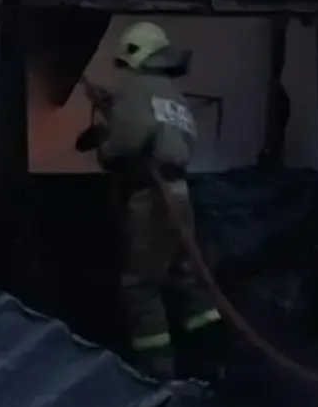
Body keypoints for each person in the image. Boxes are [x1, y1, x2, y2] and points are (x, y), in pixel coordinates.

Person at [76, 21, 225, 382]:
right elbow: (173, 138)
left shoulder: (137, 88)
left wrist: (104, 148)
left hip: (153, 199)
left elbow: (123, 145)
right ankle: (212, 362)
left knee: (140, 285)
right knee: (184, 278)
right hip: (179, 196)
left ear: (134, 54)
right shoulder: (172, 95)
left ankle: (156, 376)